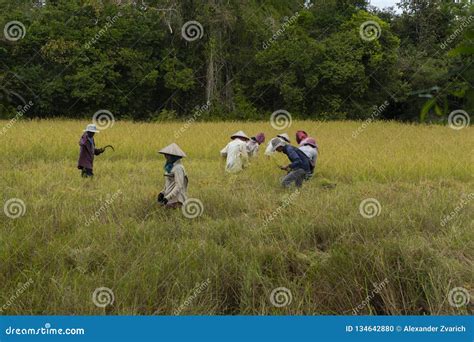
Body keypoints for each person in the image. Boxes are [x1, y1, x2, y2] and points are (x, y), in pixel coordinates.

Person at [157, 143, 188, 208]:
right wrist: (162, 193)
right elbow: (169, 183)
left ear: (174, 156)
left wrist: (167, 198)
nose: (165, 157)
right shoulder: (170, 167)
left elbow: (179, 186)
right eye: (165, 155)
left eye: (168, 155)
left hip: (176, 200)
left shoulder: (178, 168)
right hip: (170, 199)